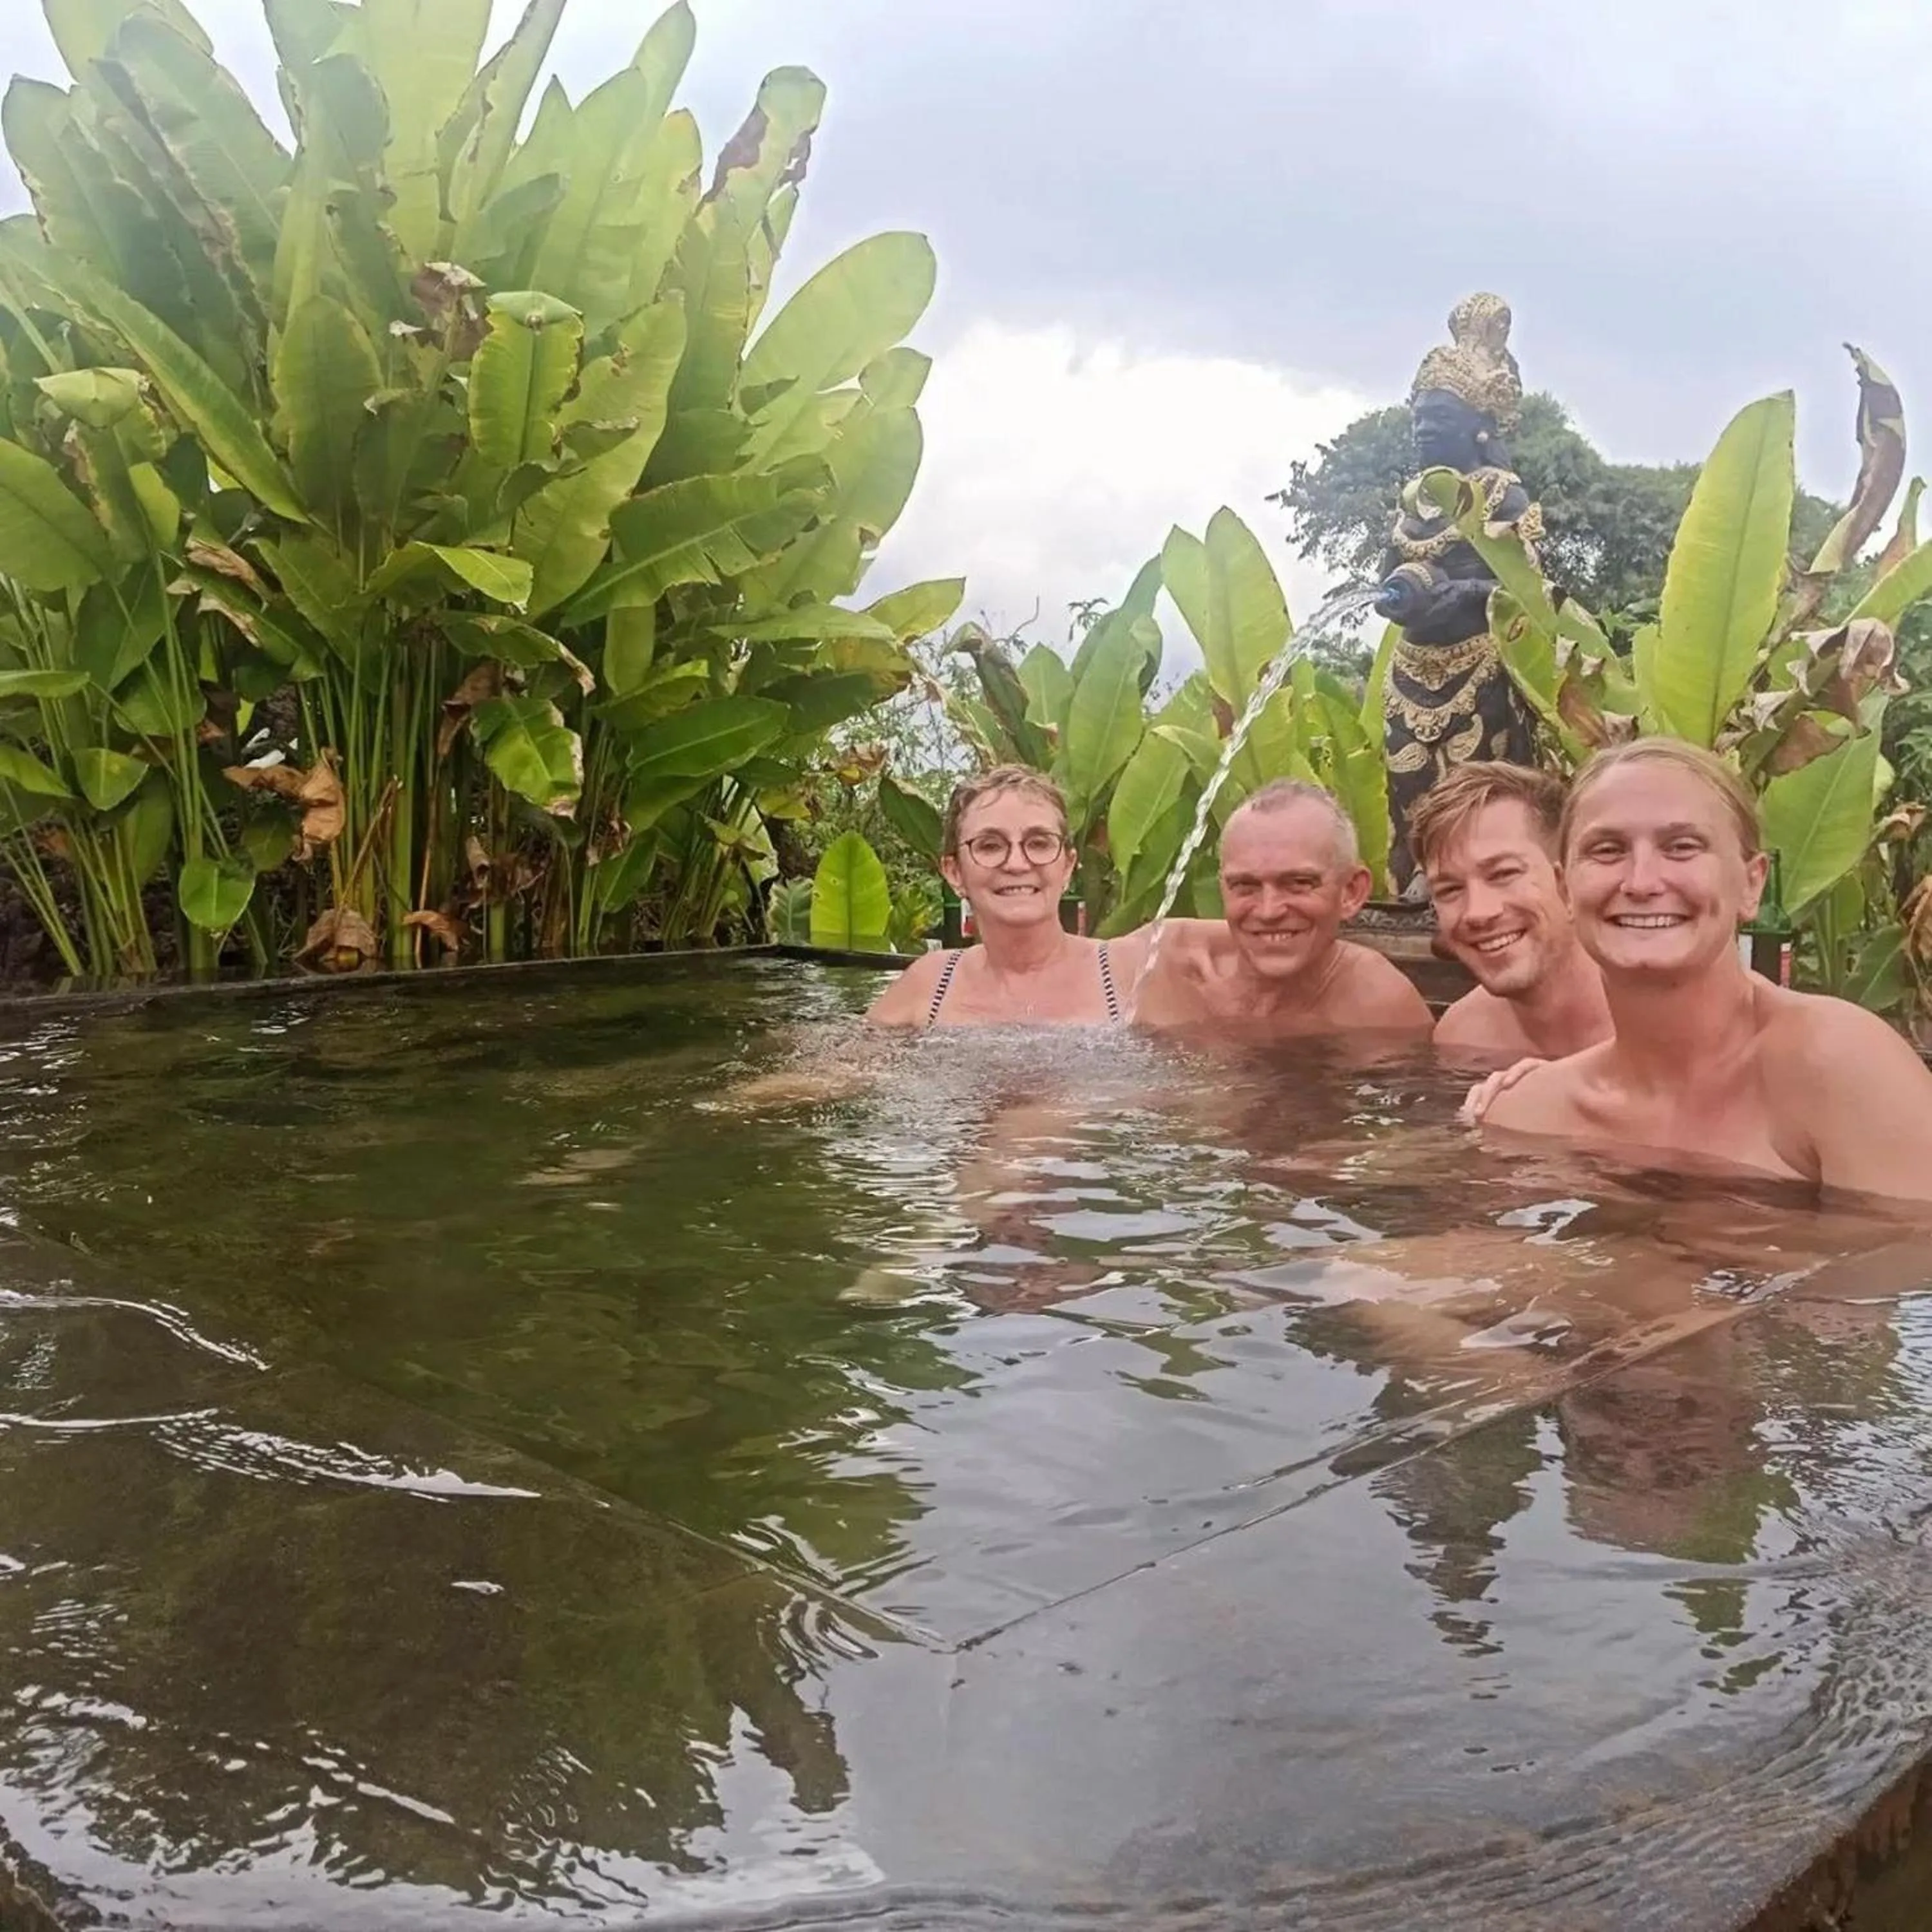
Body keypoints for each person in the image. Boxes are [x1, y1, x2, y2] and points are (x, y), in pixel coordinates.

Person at [1476, 738, 1932, 1204]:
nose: (1642, 882)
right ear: (1564, 890)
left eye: (1682, 847)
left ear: (1752, 884)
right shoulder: (1525, 1116)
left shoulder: (1839, 1069)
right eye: (1608, 850)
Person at [1111, 779, 1432, 1037]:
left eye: (1298, 883)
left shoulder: (1379, 1008)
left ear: (1351, 891)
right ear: (1224, 888)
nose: (1268, 911)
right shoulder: (1159, 964)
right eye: (1246, 886)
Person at [867, 765, 1123, 1028]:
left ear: (1067, 867)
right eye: (990, 846)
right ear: (954, 872)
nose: (1017, 864)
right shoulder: (933, 984)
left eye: (1039, 843)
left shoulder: (1125, 973)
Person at [1410, 761, 1613, 1061]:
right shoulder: (1463, 1037)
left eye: (1503, 874)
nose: (1478, 913)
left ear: (1569, 877)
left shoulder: (1664, 1022)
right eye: (1450, 890)